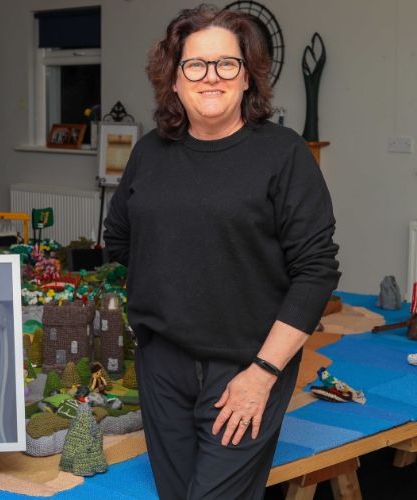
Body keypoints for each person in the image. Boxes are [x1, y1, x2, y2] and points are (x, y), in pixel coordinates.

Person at [104, 5, 340, 499]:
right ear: (174, 80)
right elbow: (121, 240)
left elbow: (316, 271)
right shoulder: (149, 153)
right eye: (195, 65)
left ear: (247, 77)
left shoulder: (284, 154)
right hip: (162, 368)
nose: (211, 76)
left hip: (249, 367)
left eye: (226, 64)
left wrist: (264, 373)